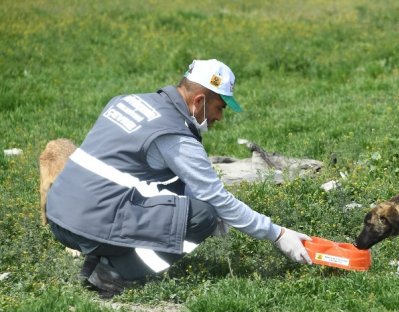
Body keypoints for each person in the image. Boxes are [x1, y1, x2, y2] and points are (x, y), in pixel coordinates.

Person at [46, 58, 312, 298]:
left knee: (177, 194)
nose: (219, 117)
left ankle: (93, 264)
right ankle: (115, 274)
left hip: (58, 214)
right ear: (199, 102)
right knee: (202, 216)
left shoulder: (127, 100)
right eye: (220, 108)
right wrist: (278, 234)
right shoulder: (176, 138)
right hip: (89, 222)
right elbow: (217, 199)